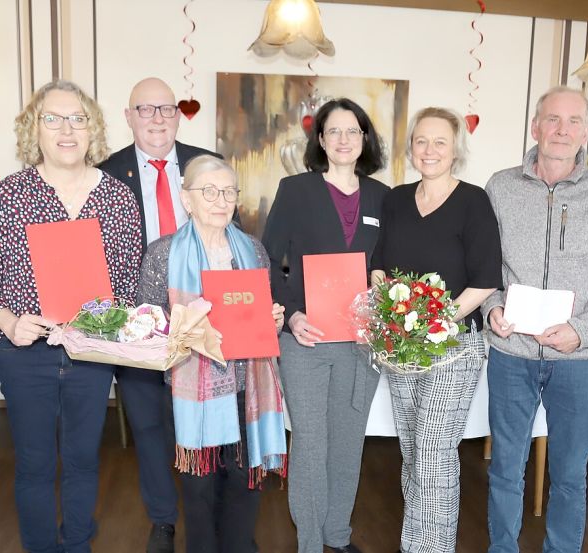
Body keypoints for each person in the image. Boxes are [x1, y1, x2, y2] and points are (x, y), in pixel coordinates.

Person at [0, 80, 142, 553]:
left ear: (92, 130)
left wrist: (108, 325)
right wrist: (8, 323)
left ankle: (76, 546)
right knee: (34, 463)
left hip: (91, 351)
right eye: (54, 119)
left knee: (85, 459)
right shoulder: (10, 194)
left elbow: (126, 281)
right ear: (35, 129)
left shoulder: (116, 197)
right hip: (26, 351)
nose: (67, 129)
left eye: (78, 119)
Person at [480, 86, 588, 552]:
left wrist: (583, 330)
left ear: (586, 131)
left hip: (579, 358)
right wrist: (492, 308)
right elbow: (483, 265)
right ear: (535, 127)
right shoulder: (500, 186)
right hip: (512, 353)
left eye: (573, 121)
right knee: (505, 468)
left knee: (570, 473)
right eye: (553, 119)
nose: (562, 130)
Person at [137, 155, 287, 553]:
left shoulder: (253, 249)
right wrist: (178, 331)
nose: (222, 200)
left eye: (229, 191)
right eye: (209, 191)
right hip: (191, 390)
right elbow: (146, 323)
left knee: (244, 481)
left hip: (246, 389)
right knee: (199, 487)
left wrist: (272, 319)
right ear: (187, 199)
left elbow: (260, 314)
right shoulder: (163, 254)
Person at [369, 107, 502, 553]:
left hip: (455, 347)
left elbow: (484, 281)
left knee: (433, 453)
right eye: (421, 141)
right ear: (410, 149)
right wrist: (394, 313)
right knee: (413, 454)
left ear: (456, 150)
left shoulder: (473, 201)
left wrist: (433, 323)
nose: (429, 150)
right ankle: (422, 540)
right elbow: (379, 270)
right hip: (401, 346)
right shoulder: (395, 199)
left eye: (440, 142)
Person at [98, 77, 221, 553]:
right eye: (144, 110)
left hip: (200, 322)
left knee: (199, 424)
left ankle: (205, 521)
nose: (156, 119)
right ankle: (163, 521)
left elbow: (229, 234)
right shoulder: (106, 174)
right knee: (149, 426)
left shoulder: (205, 166)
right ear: (128, 117)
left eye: (165, 109)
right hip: (137, 326)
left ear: (178, 115)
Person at [262, 98, 389, 553]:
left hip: (362, 344)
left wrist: (384, 292)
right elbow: (267, 262)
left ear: (364, 139)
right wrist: (291, 315)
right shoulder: (295, 190)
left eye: (352, 131)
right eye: (333, 131)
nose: (343, 140)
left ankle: (338, 535)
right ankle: (310, 544)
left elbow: (386, 266)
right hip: (306, 341)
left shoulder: (382, 196)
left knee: (348, 442)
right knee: (312, 445)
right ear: (319, 140)